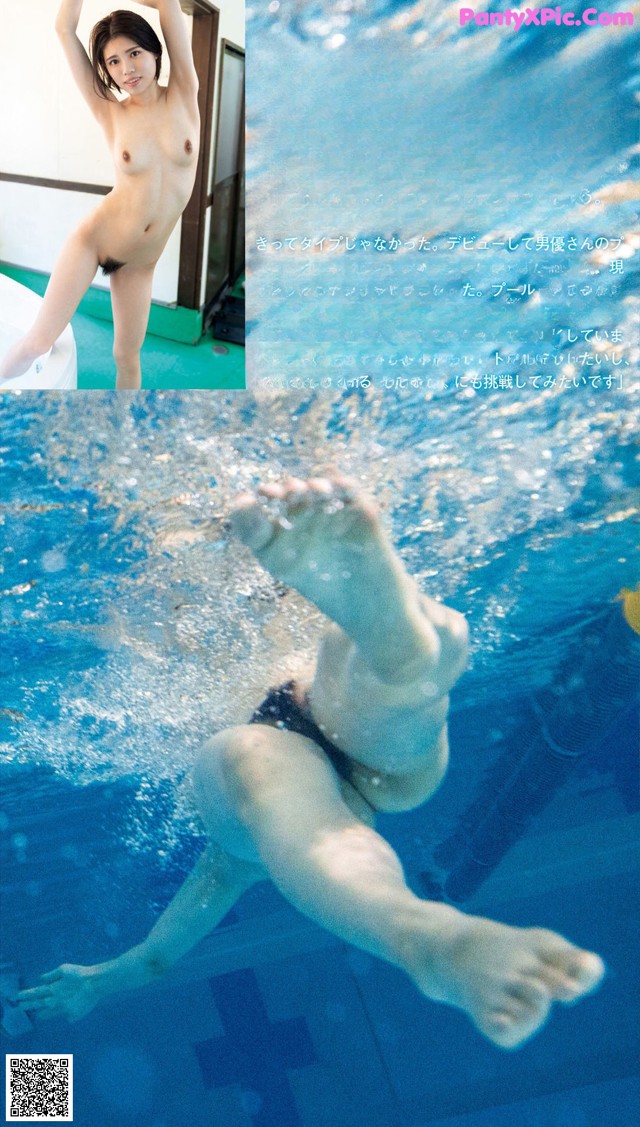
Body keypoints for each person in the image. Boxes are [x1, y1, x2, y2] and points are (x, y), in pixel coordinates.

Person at [17, 474, 605, 1050]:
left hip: (378, 784)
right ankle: (389, 640)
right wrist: (93, 984)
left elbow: (157, 958)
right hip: (303, 716)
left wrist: (96, 985)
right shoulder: (231, 860)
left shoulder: (237, 862)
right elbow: (154, 957)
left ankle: (428, 932)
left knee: (385, 703)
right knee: (338, 715)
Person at [0, 0, 199, 389]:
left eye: (134, 53)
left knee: (127, 358)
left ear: (156, 51)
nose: (126, 69)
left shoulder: (185, 92)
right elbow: (63, 28)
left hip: (140, 264)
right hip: (94, 240)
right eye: (112, 62)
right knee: (37, 343)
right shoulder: (110, 111)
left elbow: (167, 4)